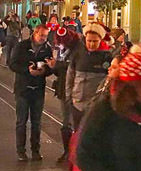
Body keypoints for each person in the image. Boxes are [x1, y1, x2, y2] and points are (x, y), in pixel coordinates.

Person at [9, 22, 54, 161]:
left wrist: (48, 69)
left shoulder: (47, 49)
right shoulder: (22, 46)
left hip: (38, 89)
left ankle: (35, 150)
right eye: (41, 35)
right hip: (23, 89)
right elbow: (12, 64)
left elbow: (50, 68)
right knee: (21, 121)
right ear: (35, 33)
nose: (43, 38)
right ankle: (20, 151)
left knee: (36, 122)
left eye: (46, 36)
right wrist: (27, 71)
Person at [66, 22, 115, 127]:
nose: (91, 44)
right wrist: (69, 96)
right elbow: (70, 76)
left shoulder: (107, 57)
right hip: (77, 105)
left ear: (100, 40)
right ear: (85, 39)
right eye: (89, 41)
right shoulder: (78, 53)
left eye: (95, 41)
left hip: (95, 108)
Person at [52, 26, 80, 163]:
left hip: (77, 91)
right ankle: (67, 152)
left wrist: (57, 64)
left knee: (76, 121)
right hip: (63, 88)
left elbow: (73, 66)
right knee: (66, 121)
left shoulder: (79, 49)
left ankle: (76, 152)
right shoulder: (63, 49)